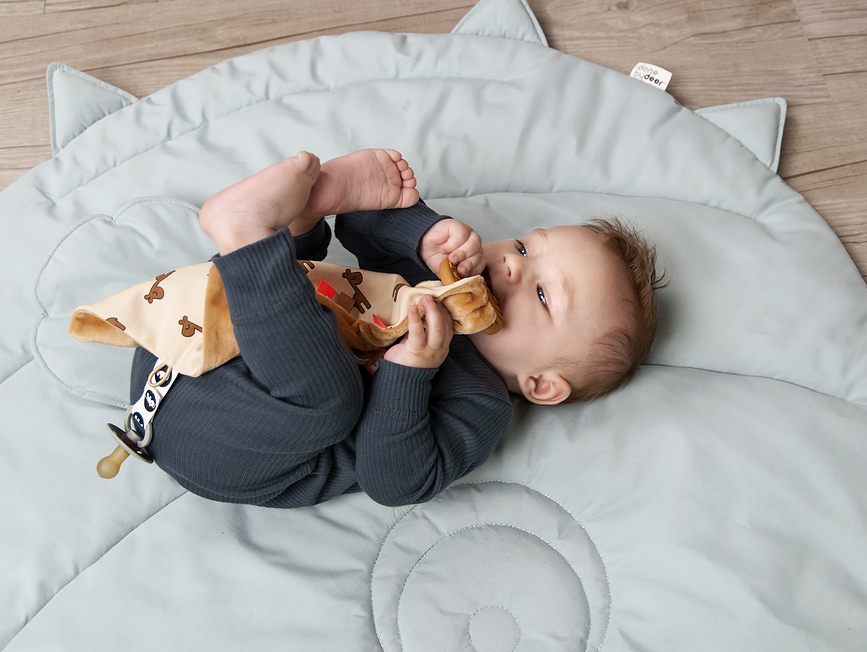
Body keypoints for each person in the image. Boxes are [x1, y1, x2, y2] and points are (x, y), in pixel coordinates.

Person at [129, 149, 662, 508]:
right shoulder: (434, 275)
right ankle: (301, 215)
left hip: (224, 444)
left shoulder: (479, 405)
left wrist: (409, 373)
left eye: (543, 295)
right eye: (524, 246)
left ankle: (250, 237)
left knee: (333, 396)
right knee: (312, 275)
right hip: (186, 337)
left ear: (541, 383)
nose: (511, 265)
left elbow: (394, 481)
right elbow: (364, 222)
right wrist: (424, 234)